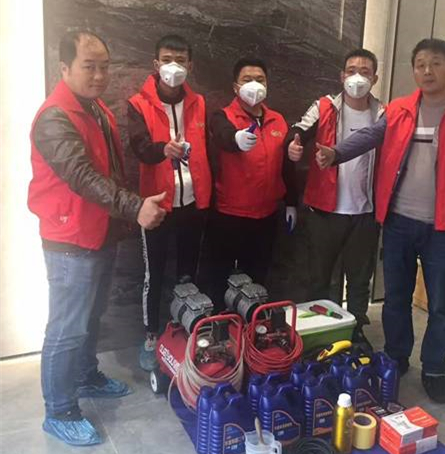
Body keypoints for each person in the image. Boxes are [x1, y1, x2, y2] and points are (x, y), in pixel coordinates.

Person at [316, 38, 445, 403]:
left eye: (436, 63)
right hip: (398, 222)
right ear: (414, 70)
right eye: (421, 64)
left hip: (444, 228)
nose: (428, 71)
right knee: (396, 298)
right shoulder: (399, 109)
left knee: (441, 304)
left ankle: (435, 367)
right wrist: (335, 153)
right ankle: (396, 356)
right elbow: (370, 136)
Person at [28, 30, 166, 446]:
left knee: (90, 317)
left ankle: (86, 376)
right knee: (66, 327)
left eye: (105, 66)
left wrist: (122, 217)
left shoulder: (97, 109)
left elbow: (110, 172)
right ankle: (59, 410)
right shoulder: (55, 117)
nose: (100, 75)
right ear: (64, 68)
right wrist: (134, 207)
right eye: (89, 67)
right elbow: (83, 177)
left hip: (99, 230)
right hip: (69, 236)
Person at [287, 48, 383, 346]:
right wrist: (293, 145)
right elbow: (298, 131)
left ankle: (355, 330)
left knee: (359, 280)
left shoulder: (384, 114)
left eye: (365, 72)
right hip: (325, 210)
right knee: (319, 278)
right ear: (341, 76)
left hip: (365, 212)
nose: (357, 77)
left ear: (375, 78)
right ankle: (320, 333)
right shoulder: (325, 107)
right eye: (351, 71)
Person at [128, 34, 211, 371]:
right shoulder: (138, 104)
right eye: (167, 59)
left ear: (190, 65)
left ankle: (184, 331)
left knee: (188, 274)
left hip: (192, 202)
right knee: (155, 274)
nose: (173, 67)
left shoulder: (199, 102)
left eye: (180, 60)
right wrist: (163, 149)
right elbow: (139, 147)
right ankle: (151, 336)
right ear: (156, 64)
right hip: (157, 205)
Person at [203, 57, 297, 309]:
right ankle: (220, 326)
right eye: (247, 79)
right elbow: (222, 134)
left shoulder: (277, 120)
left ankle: (252, 325)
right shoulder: (222, 116)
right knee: (220, 280)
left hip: (266, 217)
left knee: (258, 280)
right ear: (235, 87)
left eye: (260, 80)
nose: (254, 84)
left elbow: (286, 164)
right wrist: (236, 139)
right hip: (229, 216)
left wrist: (291, 202)